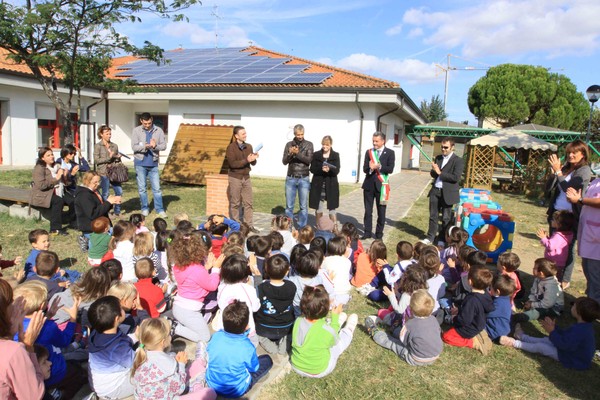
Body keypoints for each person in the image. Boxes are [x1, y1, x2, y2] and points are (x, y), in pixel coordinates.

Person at [500, 297, 600, 370]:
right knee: (546, 340)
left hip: (573, 359)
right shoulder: (583, 326)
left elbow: (563, 344)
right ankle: (521, 336)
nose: (572, 306)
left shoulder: (581, 330)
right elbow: (565, 336)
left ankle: (514, 343)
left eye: (574, 305)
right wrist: (554, 328)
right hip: (570, 351)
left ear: (579, 312)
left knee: (541, 347)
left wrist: (552, 331)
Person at [546, 139, 592, 289]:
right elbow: (549, 189)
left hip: (571, 216)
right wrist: (554, 174)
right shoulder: (565, 167)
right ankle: (551, 274)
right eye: (568, 152)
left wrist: (558, 172)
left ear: (583, 153)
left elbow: (569, 191)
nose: (570, 155)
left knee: (567, 248)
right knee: (553, 245)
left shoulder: (584, 171)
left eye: (574, 152)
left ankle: (565, 279)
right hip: (556, 213)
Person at [132, 318, 216, 399]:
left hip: (160, 393)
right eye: (169, 334)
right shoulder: (167, 364)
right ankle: (197, 378)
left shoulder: (140, 356)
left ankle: (199, 364)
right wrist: (182, 364)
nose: (170, 336)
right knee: (210, 393)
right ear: (163, 342)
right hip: (172, 394)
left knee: (183, 371)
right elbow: (180, 388)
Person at [206, 301, 273, 397]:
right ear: (246, 326)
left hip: (213, 384)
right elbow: (254, 368)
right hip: (236, 389)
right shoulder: (247, 346)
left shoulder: (215, 337)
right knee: (267, 360)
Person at [290, 285, 358, 378]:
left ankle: (338, 322)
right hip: (319, 370)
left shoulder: (298, 320)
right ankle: (349, 329)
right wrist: (335, 317)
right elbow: (334, 340)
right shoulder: (326, 330)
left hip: (296, 365)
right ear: (325, 308)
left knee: (326, 335)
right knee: (337, 346)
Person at [365, 289, 443, 366]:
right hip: (434, 356)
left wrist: (405, 323)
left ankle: (375, 332)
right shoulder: (433, 319)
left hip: (416, 359)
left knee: (392, 342)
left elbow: (403, 340)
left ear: (411, 309)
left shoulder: (410, 324)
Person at [0, 279, 46, 400]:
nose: (15, 304)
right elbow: (33, 396)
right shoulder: (13, 352)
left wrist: (8, 334)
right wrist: (28, 346)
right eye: (10, 301)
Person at [87, 295, 136, 399]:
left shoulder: (97, 332)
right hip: (113, 390)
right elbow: (136, 362)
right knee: (148, 375)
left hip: (99, 383)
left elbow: (123, 342)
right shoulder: (116, 347)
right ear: (117, 318)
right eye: (121, 308)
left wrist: (135, 336)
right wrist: (144, 344)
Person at [442, 266, 495, 355]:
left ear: (470, 281)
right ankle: (478, 335)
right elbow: (475, 310)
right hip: (479, 324)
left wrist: (454, 318)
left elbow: (464, 320)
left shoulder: (472, 299)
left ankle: (473, 343)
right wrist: (460, 310)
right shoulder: (486, 295)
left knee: (446, 336)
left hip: (468, 328)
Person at [566, 177, 600, 304]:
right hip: (590, 235)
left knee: (595, 275)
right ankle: (589, 303)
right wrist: (579, 199)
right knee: (589, 271)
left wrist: (580, 199)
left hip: (597, 241)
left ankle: (592, 309)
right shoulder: (596, 181)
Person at [425, 137, 464, 245]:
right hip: (435, 190)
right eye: (442, 147)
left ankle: (442, 239)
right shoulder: (438, 158)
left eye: (446, 147)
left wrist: (439, 172)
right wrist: (433, 170)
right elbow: (434, 174)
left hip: (448, 193)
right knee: (433, 215)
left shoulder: (458, 160)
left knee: (446, 218)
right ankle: (430, 237)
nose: (443, 149)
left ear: (452, 147)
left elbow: (455, 177)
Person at [132, 112, 167, 218]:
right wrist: (146, 147)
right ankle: (145, 208)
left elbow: (164, 146)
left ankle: (160, 209)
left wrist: (155, 146)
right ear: (141, 121)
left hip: (153, 163)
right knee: (142, 188)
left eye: (149, 123)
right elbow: (134, 147)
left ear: (152, 120)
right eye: (145, 123)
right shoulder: (136, 131)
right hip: (140, 163)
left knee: (157, 188)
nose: (147, 125)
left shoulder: (159, 130)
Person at [362, 131, 395, 240]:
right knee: (368, 211)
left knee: (381, 211)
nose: (374, 143)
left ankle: (379, 234)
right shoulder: (369, 152)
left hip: (382, 186)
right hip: (369, 185)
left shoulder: (390, 152)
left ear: (383, 141)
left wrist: (379, 167)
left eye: (376, 141)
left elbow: (390, 169)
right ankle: (367, 232)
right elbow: (364, 169)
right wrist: (370, 168)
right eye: (373, 141)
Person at [226, 125, 260, 232]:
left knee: (248, 203)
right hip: (235, 177)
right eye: (243, 134)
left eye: (245, 133)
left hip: (246, 177)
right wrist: (247, 160)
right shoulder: (231, 148)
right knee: (235, 203)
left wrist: (254, 158)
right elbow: (232, 164)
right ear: (236, 136)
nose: (245, 135)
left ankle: (249, 225)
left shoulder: (249, 146)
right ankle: (236, 225)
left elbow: (252, 163)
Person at [74, 171, 120, 248]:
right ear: (87, 181)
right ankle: (86, 241)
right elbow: (93, 214)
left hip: (103, 226)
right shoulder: (83, 195)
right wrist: (108, 203)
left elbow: (101, 208)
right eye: (95, 182)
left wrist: (111, 202)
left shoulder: (94, 191)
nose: (98, 184)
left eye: (99, 181)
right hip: (92, 230)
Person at [31, 146, 69, 235]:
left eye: (52, 154)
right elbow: (41, 185)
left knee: (73, 199)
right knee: (58, 201)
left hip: (57, 191)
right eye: (48, 155)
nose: (52, 156)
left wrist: (66, 176)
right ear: (42, 158)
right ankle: (55, 229)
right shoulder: (39, 168)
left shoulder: (57, 166)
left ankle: (74, 221)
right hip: (42, 195)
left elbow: (66, 183)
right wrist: (56, 178)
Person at [282, 124, 314, 228]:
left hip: (303, 178)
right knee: (289, 206)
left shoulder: (309, 144)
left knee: (303, 206)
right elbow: (284, 161)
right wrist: (290, 154)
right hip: (291, 177)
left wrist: (297, 153)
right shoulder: (288, 144)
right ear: (294, 134)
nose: (300, 136)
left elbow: (309, 160)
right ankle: (288, 228)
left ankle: (302, 228)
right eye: (298, 134)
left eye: (302, 134)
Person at [513, 258, 563, 322]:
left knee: (538, 312)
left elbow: (547, 304)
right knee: (525, 300)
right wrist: (531, 301)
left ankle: (523, 316)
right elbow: (534, 291)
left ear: (541, 273)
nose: (532, 269)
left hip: (553, 307)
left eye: (534, 268)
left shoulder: (551, 286)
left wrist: (532, 304)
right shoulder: (538, 278)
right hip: (541, 300)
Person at [94, 125, 124, 217]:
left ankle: (117, 211)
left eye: (110, 134)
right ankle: (106, 211)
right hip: (103, 172)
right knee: (105, 192)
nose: (109, 136)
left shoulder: (114, 146)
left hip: (114, 172)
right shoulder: (98, 146)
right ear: (101, 134)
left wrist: (118, 158)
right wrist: (109, 157)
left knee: (119, 191)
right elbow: (96, 160)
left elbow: (116, 160)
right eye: (107, 134)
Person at [309, 135, 340, 224]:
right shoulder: (316, 154)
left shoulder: (335, 155)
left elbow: (337, 170)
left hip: (331, 184)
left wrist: (329, 169)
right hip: (319, 184)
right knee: (319, 207)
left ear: (331, 145)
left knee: (332, 208)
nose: (325, 147)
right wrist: (321, 169)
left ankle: (334, 228)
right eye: (323, 144)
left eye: (327, 145)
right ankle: (320, 227)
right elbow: (312, 169)